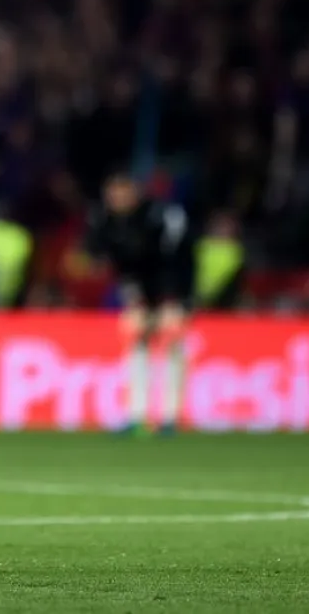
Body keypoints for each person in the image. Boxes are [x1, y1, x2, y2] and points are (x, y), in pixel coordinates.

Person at [80, 172, 192, 435]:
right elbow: (98, 254)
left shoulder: (161, 216)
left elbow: (177, 258)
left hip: (171, 284)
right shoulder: (104, 219)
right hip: (138, 287)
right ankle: (136, 415)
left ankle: (170, 418)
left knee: (172, 339)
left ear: (135, 193)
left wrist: (173, 297)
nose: (116, 199)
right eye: (112, 194)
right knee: (135, 339)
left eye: (122, 193)